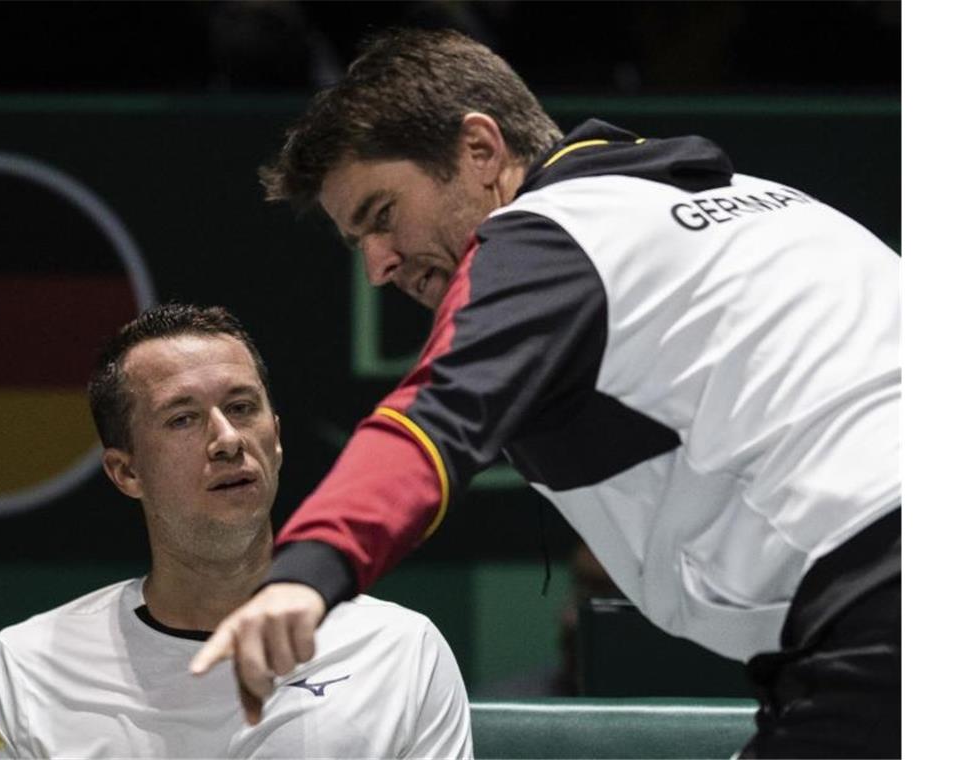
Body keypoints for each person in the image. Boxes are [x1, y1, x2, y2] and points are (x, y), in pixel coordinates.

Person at [190, 28, 900, 758]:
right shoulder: (755, 200)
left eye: (382, 215)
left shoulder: (543, 238)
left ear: (480, 151)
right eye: (358, 241)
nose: (378, 266)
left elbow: (433, 418)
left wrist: (306, 572)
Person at [0, 303, 473, 759]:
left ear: (276, 439)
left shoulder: (401, 651)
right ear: (126, 472)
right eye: (182, 419)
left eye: (243, 408)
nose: (227, 439)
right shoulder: (26, 667)